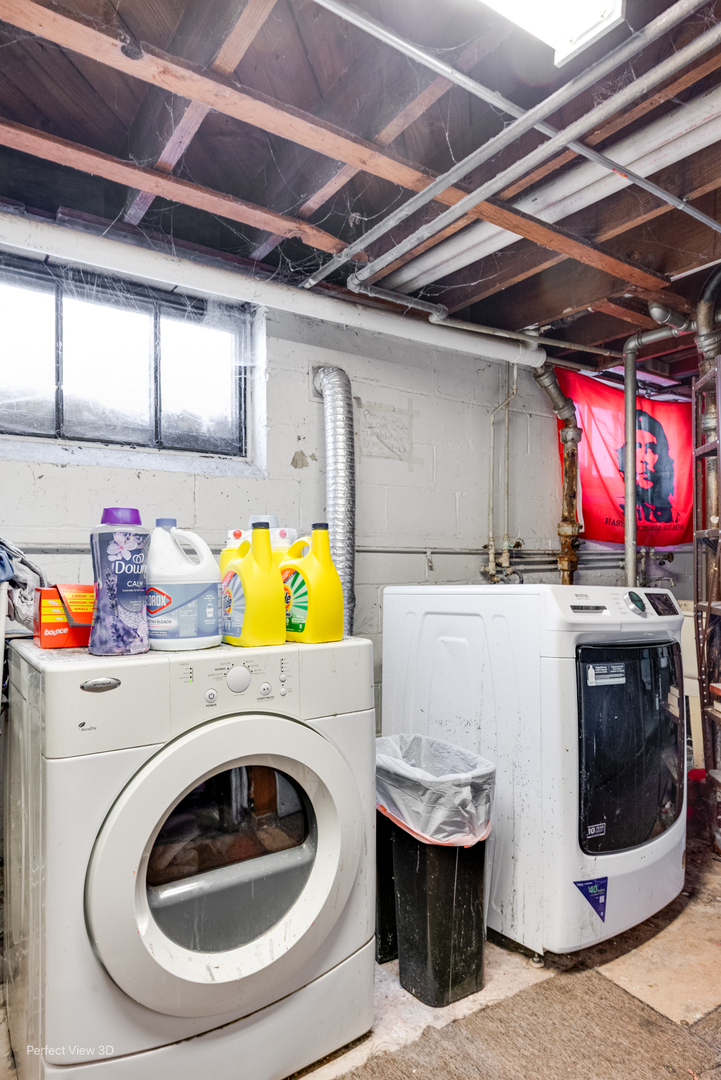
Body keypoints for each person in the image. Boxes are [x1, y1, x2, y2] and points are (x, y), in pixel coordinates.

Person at [617, 411, 675, 523]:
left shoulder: (674, 514)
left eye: (651, 449)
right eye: (636, 447)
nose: (643, 459)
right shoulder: (618, 505)